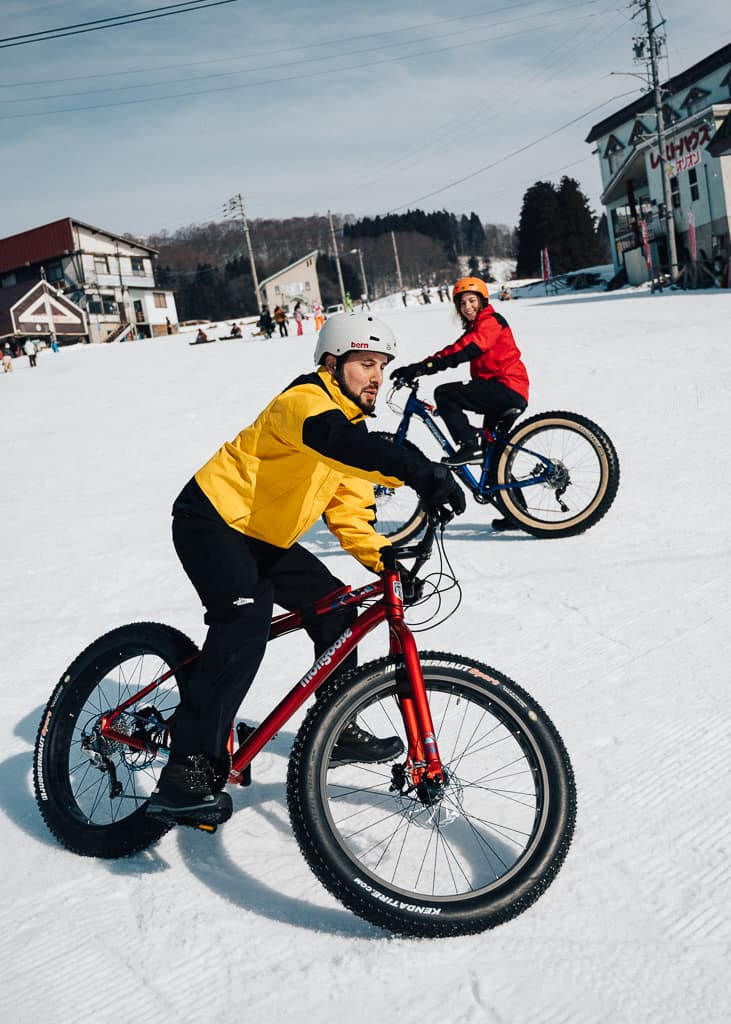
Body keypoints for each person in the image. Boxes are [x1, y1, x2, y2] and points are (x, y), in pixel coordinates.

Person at [145, 313, 465, 827]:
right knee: (245, 620)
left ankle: (333, 726)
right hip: (213, 518)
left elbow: (350, 512)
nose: (377, 377)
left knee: (336, 609)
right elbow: (341, 443)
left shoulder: (350, 430)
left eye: (382, 366)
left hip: (265, 537)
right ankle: (185, 772)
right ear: (332, 364)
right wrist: (418, 470)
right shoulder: (304, 405)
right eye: (365, 364)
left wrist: (387, 563)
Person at [391, 276, 529, 468]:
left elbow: (465, 350)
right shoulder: (477, 326)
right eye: (462, 303)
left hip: (505, 386)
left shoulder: (490, 321)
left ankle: (468, 444)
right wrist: (421, 366)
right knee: (494, 469)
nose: (467, 307)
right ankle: (505, 492)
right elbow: (453, 349)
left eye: (472, 301)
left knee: (445, 394)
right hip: (507, 391)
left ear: (482, 301)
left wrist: (424, 368)